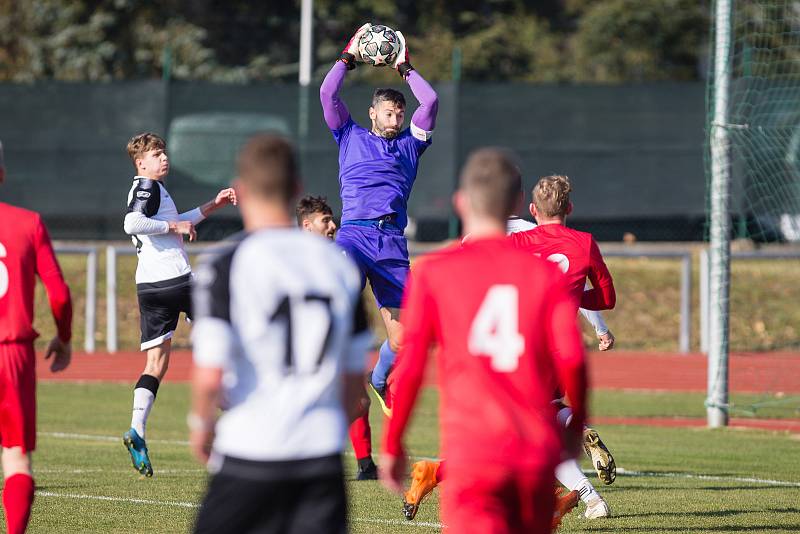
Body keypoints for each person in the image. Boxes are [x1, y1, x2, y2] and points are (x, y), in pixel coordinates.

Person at [380, 148, 588, 534]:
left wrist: (393, 444)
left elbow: (409, 369)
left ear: (460, 203)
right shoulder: (544, 275)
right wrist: (574, 433)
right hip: (532, 452)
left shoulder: (435, 272)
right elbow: (574, 360)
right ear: (516, 206)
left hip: (472, 452)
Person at [189, 135, 371, 534]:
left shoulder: (225, 264)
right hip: (319, 461)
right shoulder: (340, 268)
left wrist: (201, 426)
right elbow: (355, 390)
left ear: (241, 188)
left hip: (250, 451)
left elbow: (209, 376)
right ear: (297, 188)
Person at [320, 23, 439, 413]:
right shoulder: (349, 135)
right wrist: (347, 57)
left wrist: (405, 69)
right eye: (389, 112)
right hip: (354, 236)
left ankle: (377, 377)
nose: (396, 118)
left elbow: (431, 101)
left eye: (400, 113)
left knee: (405, 338)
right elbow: (327, 92)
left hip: (390, 244)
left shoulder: (409, 147)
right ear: (373, 113)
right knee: (336, 297)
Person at [122, 132, 236, 477]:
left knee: (156, 362)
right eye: (156, 154)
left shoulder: (153, 190)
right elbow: (132, 221)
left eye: (163, 153)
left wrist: (212, 206)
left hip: (150, 286)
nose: (163, 158)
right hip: (175, 279)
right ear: (141, 163)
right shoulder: (147, 187)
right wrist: (175, 224)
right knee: (223, 341)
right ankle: (239, 425)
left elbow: (175, 221)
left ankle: (137, 430)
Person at [0, 139, 73, 534]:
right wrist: (64, 337)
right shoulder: (27, 223)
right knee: (16, 460)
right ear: (2, 174)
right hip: (11, 354)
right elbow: (59, 293)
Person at [296, 195, 378, 480]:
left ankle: (365, 464)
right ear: (307, 226)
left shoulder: (336, 257)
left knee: (359, 402)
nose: (332, 226)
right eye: (325, 221)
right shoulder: (296, 259)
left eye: (332, 220)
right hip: (307, 352)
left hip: (335, 344)